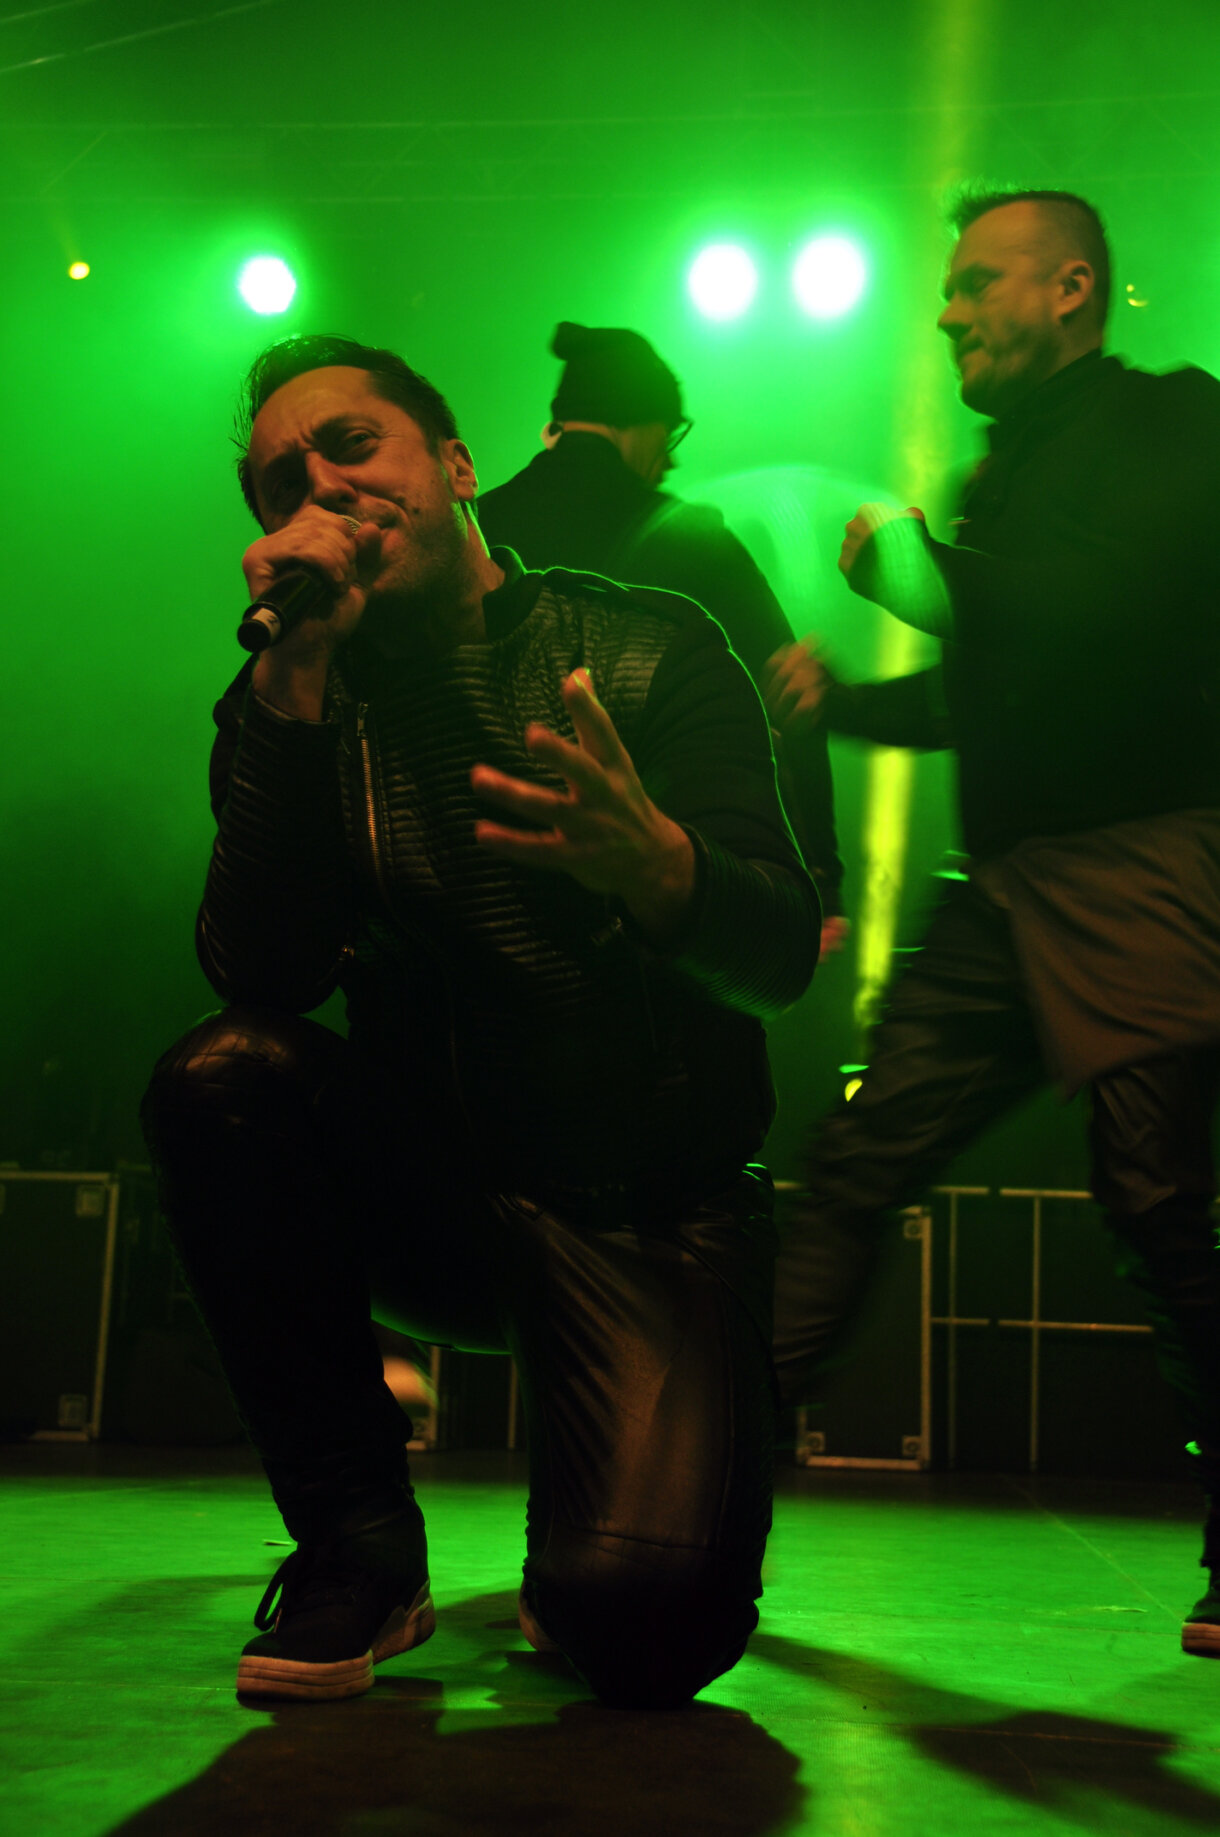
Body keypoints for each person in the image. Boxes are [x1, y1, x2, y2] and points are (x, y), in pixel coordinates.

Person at [140, 333, 820, 1710]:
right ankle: (358, 1549)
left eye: (352, 445)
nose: (322, 489)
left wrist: (658, 866)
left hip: (646, 1211)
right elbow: (259, 971)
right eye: (282, 483)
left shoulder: (648, 644)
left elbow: (775, 955)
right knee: (220, 1075)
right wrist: (293, 680)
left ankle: (598, 1522)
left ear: (455, 466)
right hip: (440, 1200)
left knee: (639, 1630)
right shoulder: (292, 698)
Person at [762, 188, 1220, 1654]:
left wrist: (916, 575)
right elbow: (1004, 683)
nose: (947, 311)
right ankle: (693, 1494)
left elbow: (1105, 615)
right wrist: (855, 703)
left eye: (975, 283)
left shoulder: (1174, 422)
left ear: (1068, 288)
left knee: (1158, 1207)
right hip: (1011, 885)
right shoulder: (997, 473)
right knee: (856, 1160)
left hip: (1143, 865)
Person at [478, 321, 847, 951]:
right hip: (656, 899)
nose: (671, 458)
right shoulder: (694, 539)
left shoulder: (481, 526)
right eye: (668, 434)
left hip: (487, 881)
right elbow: (791, 695)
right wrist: (820, 876)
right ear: (637, 424)